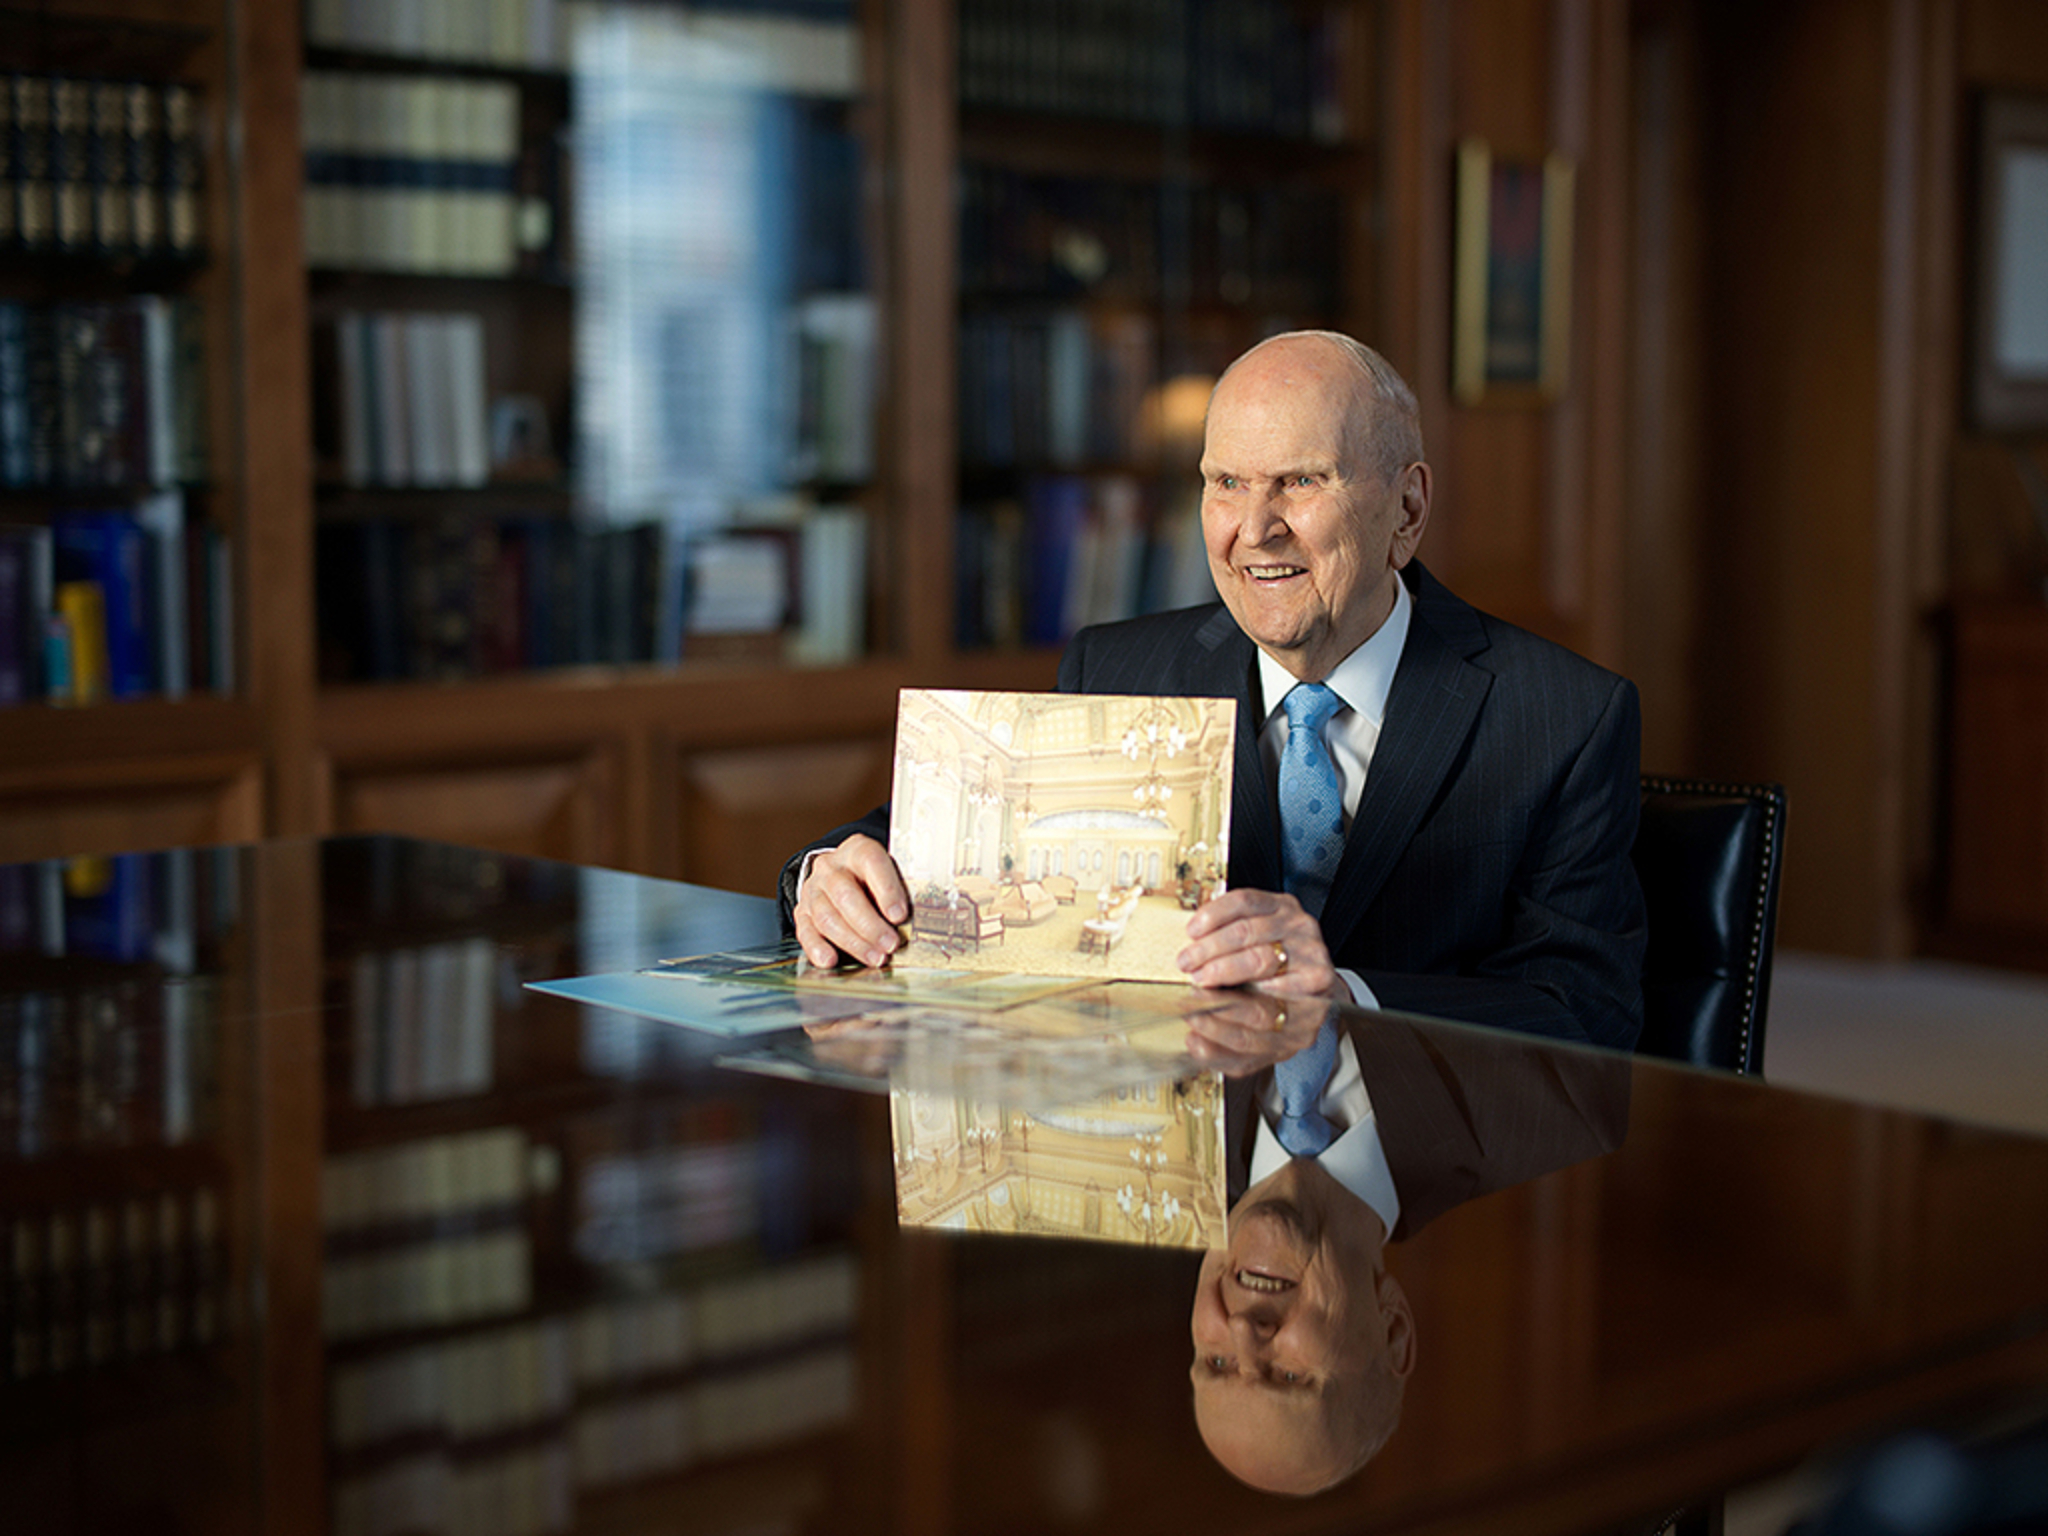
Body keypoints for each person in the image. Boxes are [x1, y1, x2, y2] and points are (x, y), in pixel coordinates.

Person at [781, 330, 1645, 1052]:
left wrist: (1347, 996)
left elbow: (1585, 1014)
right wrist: (827, 876)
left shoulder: (1560, 718)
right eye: (1225, 482)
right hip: (1177, 1164)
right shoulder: (1116, 673)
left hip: (1427, 1200)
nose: (1253, 529)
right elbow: (930, 843)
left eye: (1302, 482)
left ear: (1407, 510)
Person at [1185, 994, 1631, 1494]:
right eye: (1288, 1377)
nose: (1244, 1329)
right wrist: (1349, 994)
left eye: (1217, 1362)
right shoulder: (1563, 1105)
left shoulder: (1141, 1098)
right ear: (1392, 1328)